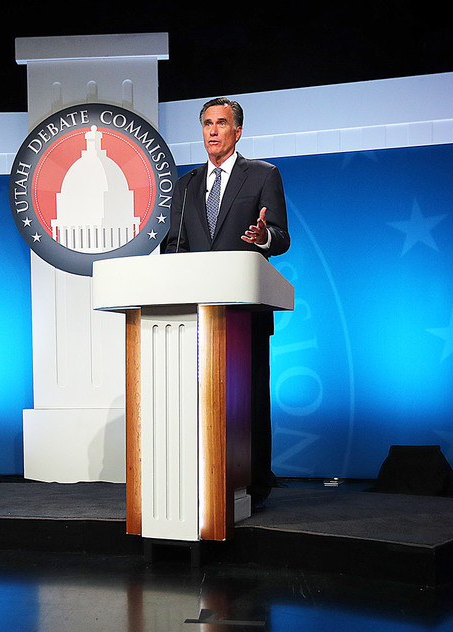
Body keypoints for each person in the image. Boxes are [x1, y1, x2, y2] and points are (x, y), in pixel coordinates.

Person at [163, 97, 290, 506]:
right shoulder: (185, 185)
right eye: (206, 124)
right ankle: (200, 475)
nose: (212, 130)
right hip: (195, 312)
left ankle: (254, 481)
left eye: (221, 123)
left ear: (238, 131)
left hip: (244, 310)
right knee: (198, 395)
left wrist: (262, 238)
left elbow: (280, 236)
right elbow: (174, 245)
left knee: (246, 396)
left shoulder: (263, 175)